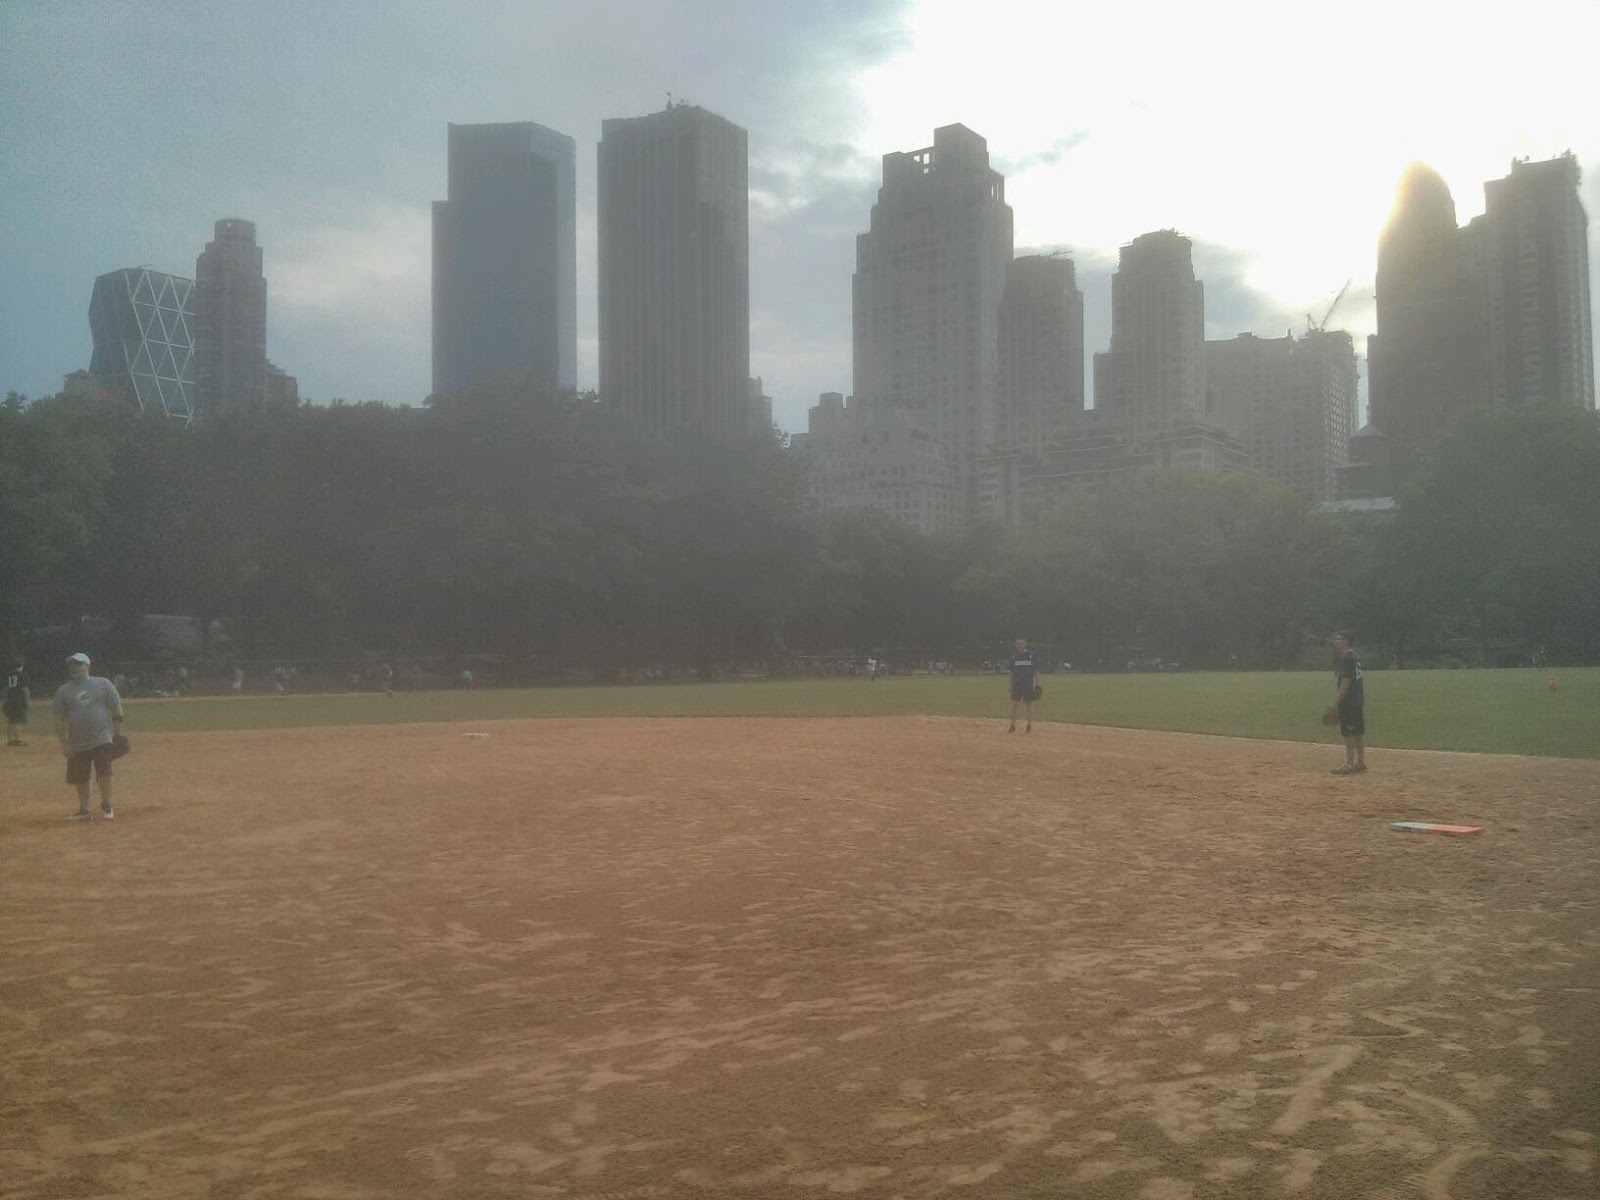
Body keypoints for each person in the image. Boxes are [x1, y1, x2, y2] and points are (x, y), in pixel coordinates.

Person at [52, 652, 125, 820]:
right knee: (81, 777)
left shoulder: (103, 683)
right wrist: (64, 744)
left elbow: (116, 707)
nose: (74, 668)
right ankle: (84, 810)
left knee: (104, 772)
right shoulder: (64, 690)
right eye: (71, 665)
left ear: (87, 666)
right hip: (77, 741)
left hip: (101, 737)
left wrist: (118, 733)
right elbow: (58, 719)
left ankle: (107, 805)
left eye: (78, 664)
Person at [1329, 630, 1366, 775]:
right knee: (1357, 733)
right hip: (1357, 700)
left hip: (1348, 702)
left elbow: (1345, 682)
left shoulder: (1345, 658)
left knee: (1348, 733)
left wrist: (1335, 701)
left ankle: (1349, 764)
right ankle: (1360, 762)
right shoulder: (1354, 656)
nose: (1336, 642)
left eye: (1339, 639)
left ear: (1345, 641)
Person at [1007, 637, 1039, 734]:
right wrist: (1010, 683)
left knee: (1028, 705)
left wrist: (1037, 683)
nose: (1020, 645)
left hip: (1028, 684)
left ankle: (1029, 726)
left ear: (1025, 644)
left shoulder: (1031, 655)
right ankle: (1012, 725)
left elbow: (1036, 670)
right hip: (1016, 684)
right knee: (1014, 704)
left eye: (1022, 643)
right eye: (1018, 644)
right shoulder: (1014, 656)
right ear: (1017, 645)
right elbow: (1011, 671)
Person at [4, 658, 30, 746]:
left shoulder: (9, 675)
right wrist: (27, 700)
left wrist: (6, 699)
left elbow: (6, 689)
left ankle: (10, 740)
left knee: (11, 720)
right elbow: (25, 689)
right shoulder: (22, 674)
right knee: (19, 720)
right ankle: (18, 740)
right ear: (21, 665)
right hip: (19, 700)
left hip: (10, 699)